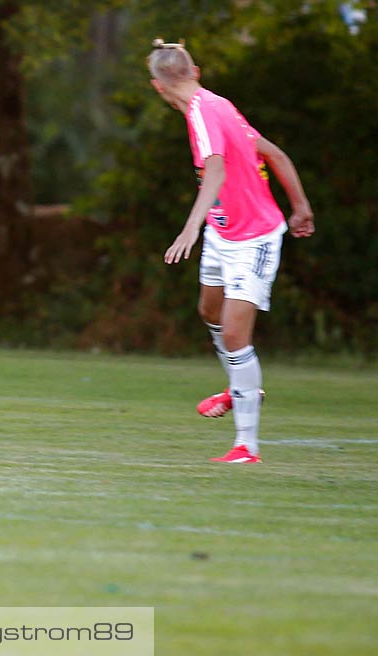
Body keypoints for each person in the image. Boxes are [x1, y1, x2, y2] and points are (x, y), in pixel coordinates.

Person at [148, 39, 313, 464]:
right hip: (224, 233)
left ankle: (246, 446)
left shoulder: (204, 113)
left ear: (157, 86)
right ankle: (238, 383)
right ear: (195, 71)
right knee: (209, 311)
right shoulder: (219, 104)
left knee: (236, 335)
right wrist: (301, 206)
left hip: (253, 236)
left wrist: (189, 228)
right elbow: (273, 153)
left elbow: (216, 171)